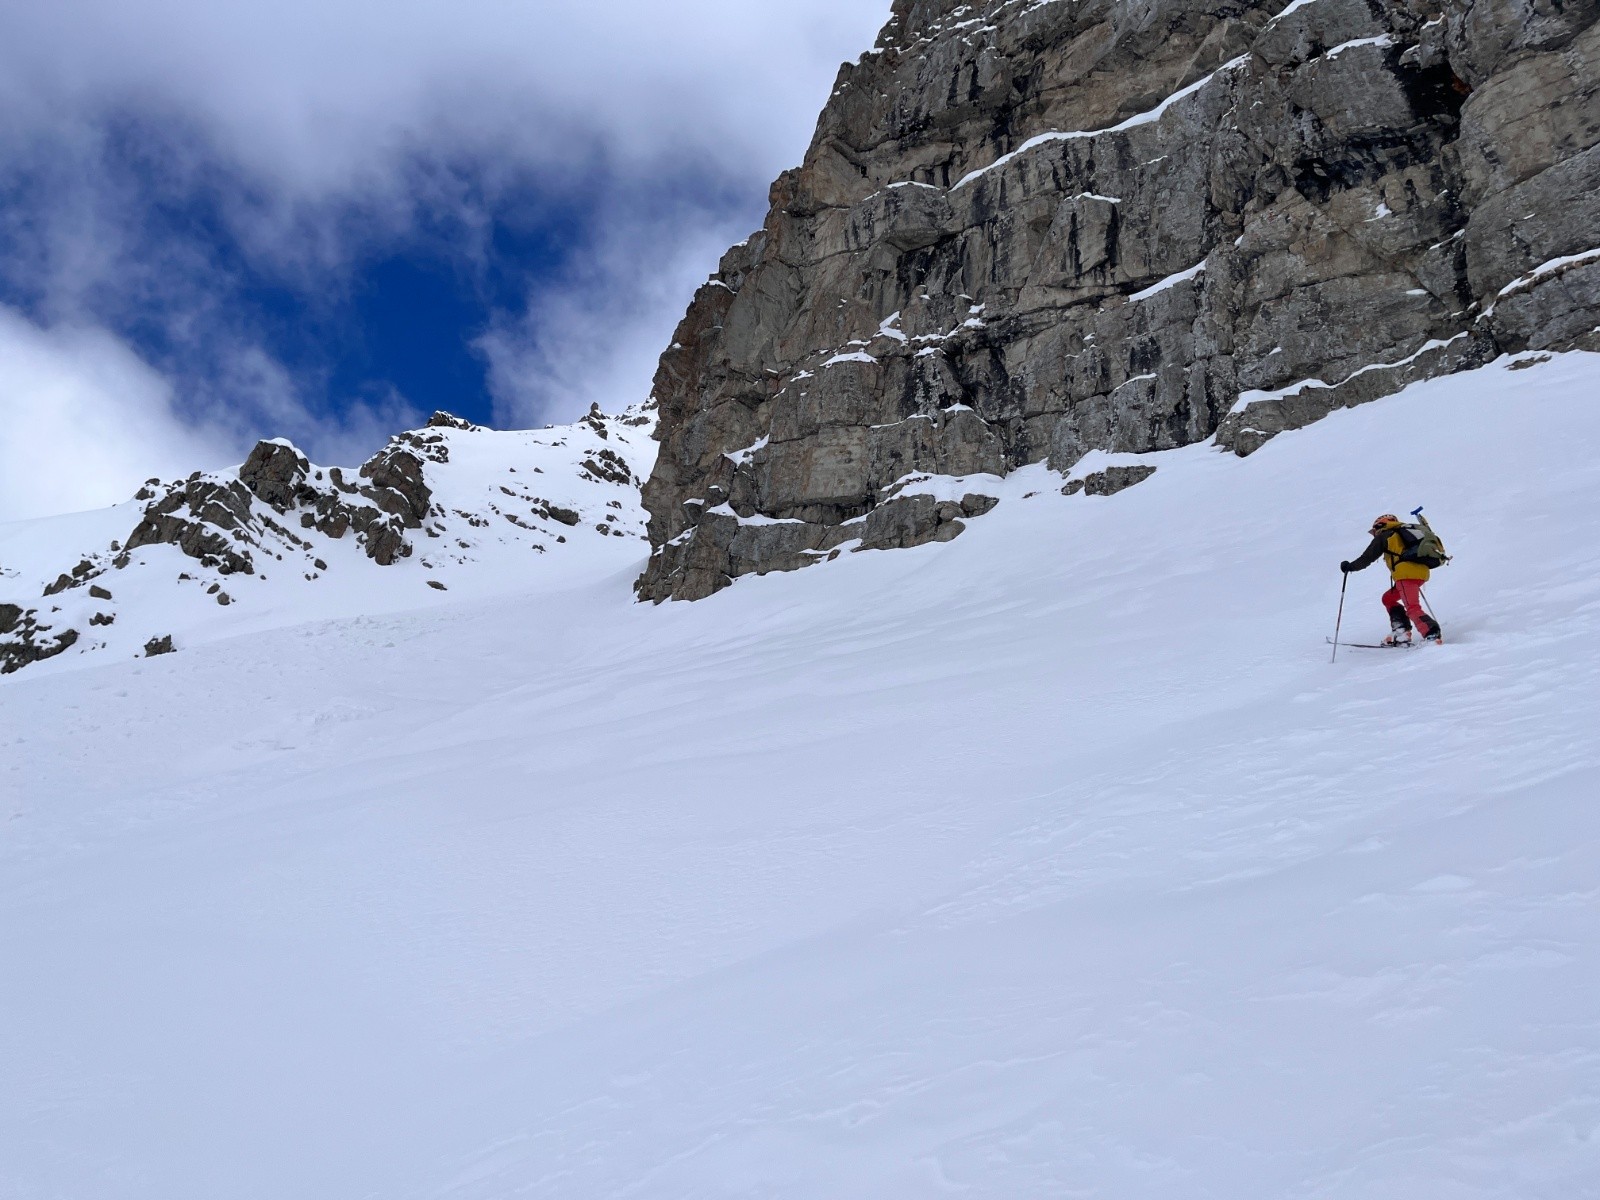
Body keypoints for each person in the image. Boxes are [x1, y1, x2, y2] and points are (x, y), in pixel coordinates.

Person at [1341, 514, 1443, 645]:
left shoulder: (1386, 535)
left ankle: (1432, 634)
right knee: (1388, 598)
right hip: (1420, 573)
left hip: (1405, 575)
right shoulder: (1403, 532)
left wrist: (1350, 567)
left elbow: (1367, 558)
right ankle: (1401, 631)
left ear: (1380, 525)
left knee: (1412, 607)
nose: (1375, 534)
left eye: (1375, 530)